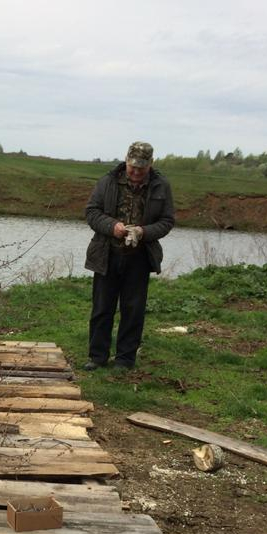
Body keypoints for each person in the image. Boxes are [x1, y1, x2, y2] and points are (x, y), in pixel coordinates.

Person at [83, 141, 175, 370]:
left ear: (150, 165)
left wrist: (144, 232)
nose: (135, 173)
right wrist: (112, 226)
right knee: (102, 308)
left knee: (133, 310)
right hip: (107, 254)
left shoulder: (161, 186)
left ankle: (125, 359)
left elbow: (167, 221)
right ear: (126, 161)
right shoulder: (107, 181)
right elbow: (92, 212)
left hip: (140, 258)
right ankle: (97, 357)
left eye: (141, 169)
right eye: (132, 167)